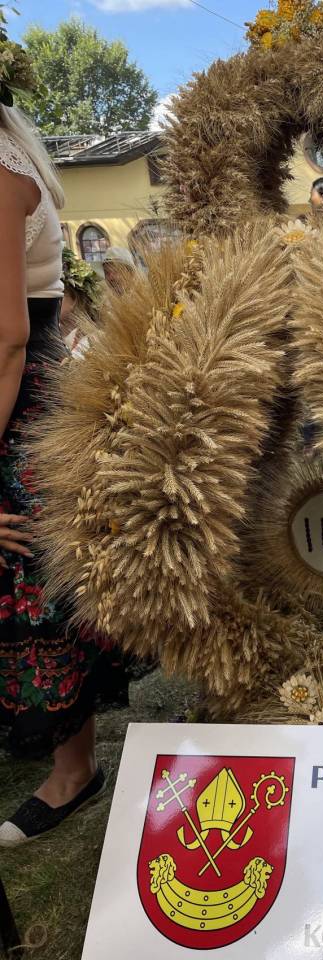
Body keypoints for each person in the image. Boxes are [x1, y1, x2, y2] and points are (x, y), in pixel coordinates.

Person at [0, 104, 133, 846]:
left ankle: (73, 771)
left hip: (16, 409)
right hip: (27, 396)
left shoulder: (0, 170)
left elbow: (8, 340)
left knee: (37, 583)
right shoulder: (15, 150)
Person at [60, 246, 100, 359]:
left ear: (75, 299)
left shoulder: (93, 339)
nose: (51, 301)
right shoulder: (51, 334)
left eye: (59, 295)